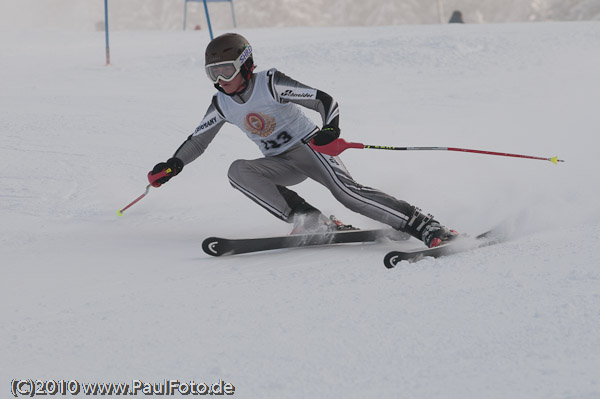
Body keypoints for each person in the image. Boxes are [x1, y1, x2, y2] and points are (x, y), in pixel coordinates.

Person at [148, 33, 457, 248]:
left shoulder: (269, 83)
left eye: (226, 71)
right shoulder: (221, 103)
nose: (221, 81)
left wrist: (330, 129)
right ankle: (311, 220)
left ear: (245, 64)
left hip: (311, 148)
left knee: (347, 194)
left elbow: (324, 100)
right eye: (213, 74)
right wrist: (174, 164)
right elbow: (197, 141)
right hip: (281, 163)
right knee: (238, 171)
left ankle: (421, 223)